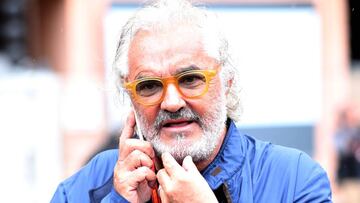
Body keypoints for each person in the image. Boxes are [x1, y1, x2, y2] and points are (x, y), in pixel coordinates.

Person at [51, 0, 332, 202]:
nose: (171, 102)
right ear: (130, 99)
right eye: (149, 85)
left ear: (226, 84)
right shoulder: (89, 186)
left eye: (190, 79)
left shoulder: (294, 179)